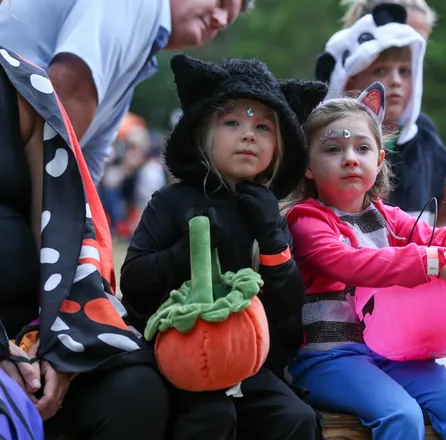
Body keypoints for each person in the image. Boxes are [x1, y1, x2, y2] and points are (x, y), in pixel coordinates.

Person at [120, 53, 327, 440]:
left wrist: (272, 238)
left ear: (278, 148)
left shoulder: (272, 216)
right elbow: (132, 281)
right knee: (211, 418)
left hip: (248, 361)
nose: (248, 134)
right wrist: (183, 255)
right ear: (202, 133)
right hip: (178, 357)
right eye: (232, 122)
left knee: (294, 418)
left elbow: (287, 311)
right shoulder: (170, 202)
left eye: (263, 127)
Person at [283, 82, 446, 440]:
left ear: (379, 159)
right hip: (328, 360)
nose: (350, 157)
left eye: (362, 147)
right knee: (401, 416)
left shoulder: (387, 216)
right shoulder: (307, 221)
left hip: (396, 352)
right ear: (307, 165)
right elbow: (351, 263)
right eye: (333, 149)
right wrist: (430, 262)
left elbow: (443, 236)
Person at [317, 3, 446, 374]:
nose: (397, 79)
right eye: (382, 67)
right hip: (351, 318)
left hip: (424, 303)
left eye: (408, 65)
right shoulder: (323, 138)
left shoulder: (424, 135)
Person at [0, 44, 169, 439]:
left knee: (134, 391)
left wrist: (61, 348)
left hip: (32, 329)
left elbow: (68, 227)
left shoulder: (22, 84)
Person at [0, 0, 254, 185]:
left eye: (226, 23)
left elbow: (90, 159)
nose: (220, 20)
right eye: (221, 3)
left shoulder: (140, 51)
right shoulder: (139, 5)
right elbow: (68, 89)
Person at [336, 0, 446, 228]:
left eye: (419, 43)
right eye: (382, 66)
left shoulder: (419, 133)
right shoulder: (327, 132)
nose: (410, 49)